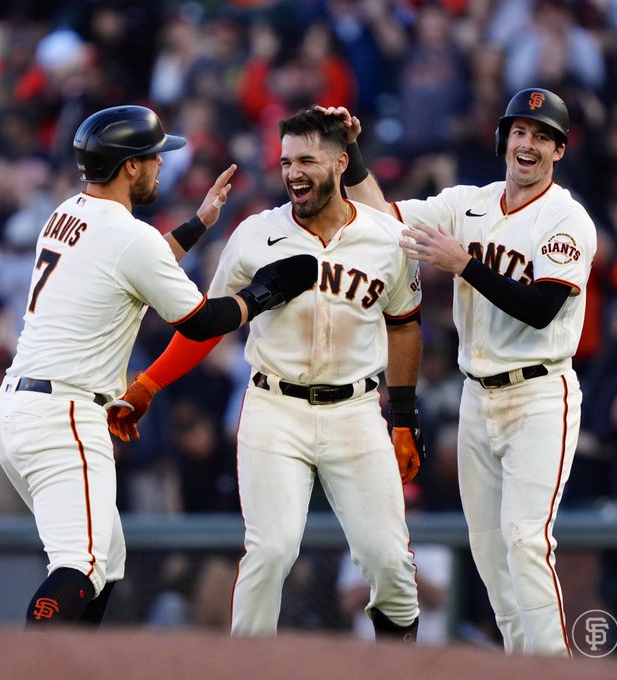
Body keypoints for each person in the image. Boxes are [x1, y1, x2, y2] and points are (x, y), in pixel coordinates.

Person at [0, 104, 317, 628]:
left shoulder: (68, 211)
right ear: (130, 166)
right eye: (153, 156)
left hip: (20, 409)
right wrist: (265, 292)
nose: (162, 164)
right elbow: (202, 321)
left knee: (104, 562)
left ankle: (67, 660)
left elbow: (132, 264)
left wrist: (198, 225)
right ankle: (34, 660)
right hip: (63, 414)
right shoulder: (128, 237)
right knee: (81, 565)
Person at [107, 108, 424, 642]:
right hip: (274, 407)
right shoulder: (256, 234)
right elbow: (207, 324)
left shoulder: (387, 237)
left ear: (340, 163)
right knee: (270, 551)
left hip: (355, 411)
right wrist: (149, 383)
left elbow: (405, 327)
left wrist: (404, 420)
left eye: (307, 160)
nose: (293, 172)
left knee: (390, 561)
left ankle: (402, 667)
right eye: (285, 161)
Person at [320, 88, 597, 656]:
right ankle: (522, 663)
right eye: (520, 131)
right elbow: (384, 218)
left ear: (558, 151)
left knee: (526, 541)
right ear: (503, 139)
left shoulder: (567, 218)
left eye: (541, 136)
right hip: (478, 395)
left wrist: (464, 264)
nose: (528, 143)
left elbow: (541, 308)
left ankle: (555, 667)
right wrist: (355, 153)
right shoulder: (468, 203)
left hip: (540, 393)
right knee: (491, 553)